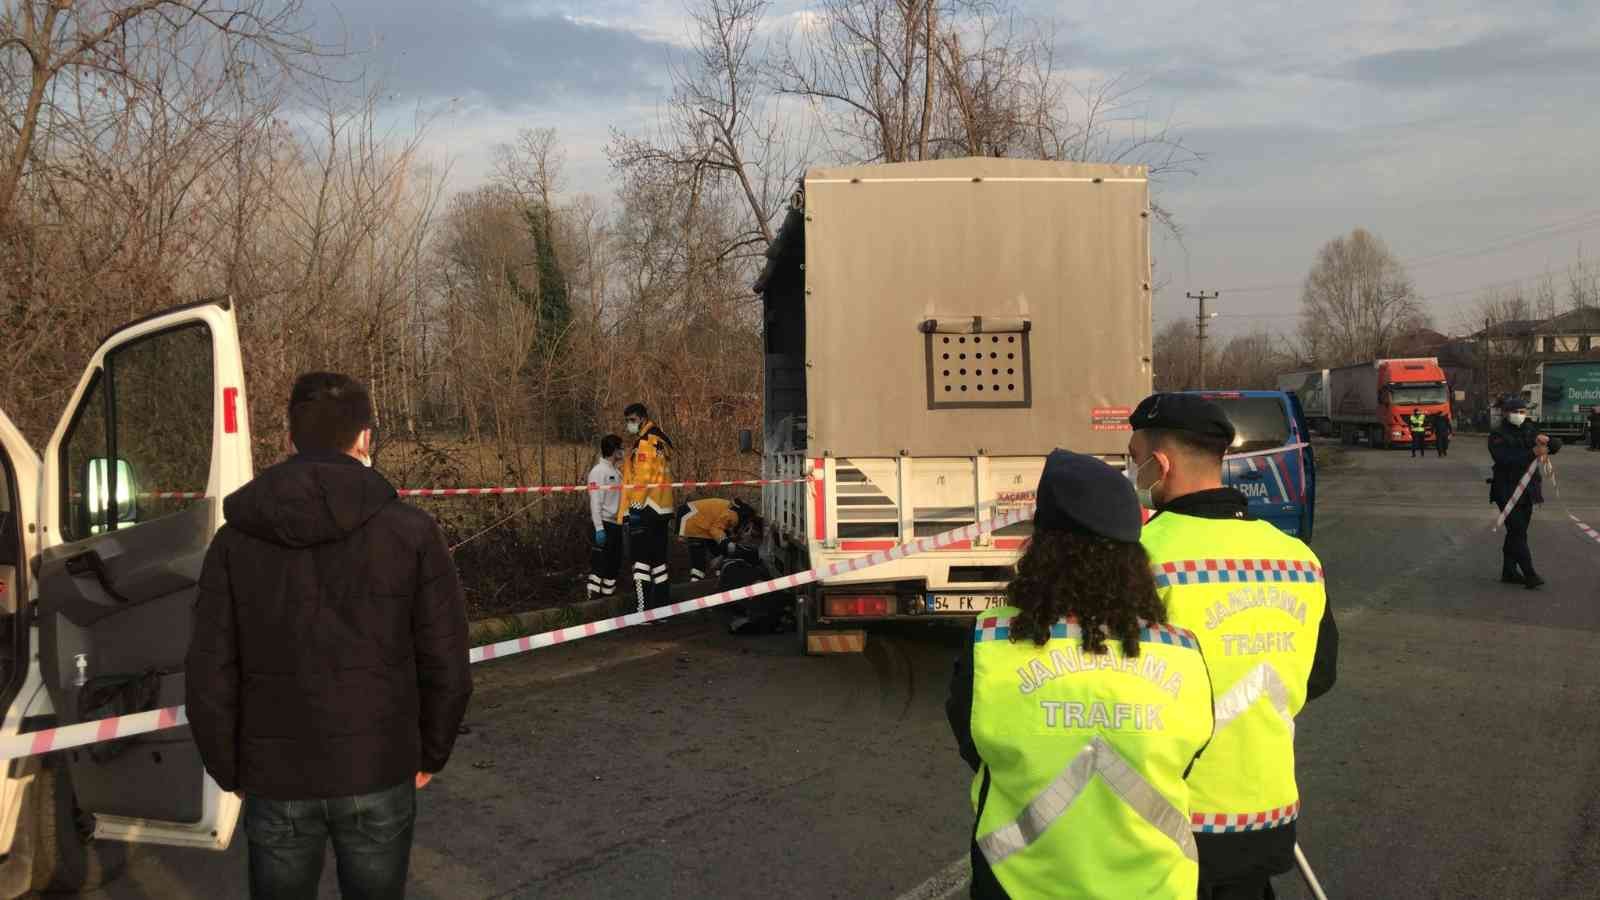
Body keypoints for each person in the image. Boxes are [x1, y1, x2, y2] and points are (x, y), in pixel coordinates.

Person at [186, 372, 473, 900]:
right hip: (379, 768)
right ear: (365, 437)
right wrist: (430, 753)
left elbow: (208, 672)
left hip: (275, 777)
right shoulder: (410, 532)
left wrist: (230, 769)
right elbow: (447, 663)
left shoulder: (234, 541)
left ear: (293, 436)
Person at [946, 450, 1215, 899]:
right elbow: (1187, 757)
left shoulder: (990, 645)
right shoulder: (1182, 652)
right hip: (1155, 885)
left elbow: (975, 746)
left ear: (1041, 548)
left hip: (1018, 883)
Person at [1126, 393, 1338, 900]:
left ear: (1159, 464)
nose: (1133, 474)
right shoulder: (1296, 557)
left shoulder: (1138, 558)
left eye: (1134, 461)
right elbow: (1320, 673)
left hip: (1163, 818)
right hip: (1265, 812)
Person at [1489, 397, 1561, 589]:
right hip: (1507, 489)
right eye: (1516, 411)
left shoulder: (1530, 429)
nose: (1520, 415)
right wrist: (1532, 453)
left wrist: (1551, 442)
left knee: (1517, 532)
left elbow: (1551, 446)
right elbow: (1505, 459)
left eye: (1523, 411)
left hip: (1529, 490)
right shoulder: (1498, 434)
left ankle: (1509, 571)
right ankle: (1529, 574)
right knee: (1518, 531)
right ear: (1505, 413)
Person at [619, 403, 675, 613]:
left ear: (642, 418)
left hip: (646, 508)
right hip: (662, 507)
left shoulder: (644, 443)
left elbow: (642, 478)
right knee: (659, 562)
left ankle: (642, 612)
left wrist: (633, 507)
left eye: (632, 420)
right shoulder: (660, 439)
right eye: (627, 420)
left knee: (640, 562)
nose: (629, 424)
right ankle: (662, 611)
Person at [677, 497, 755, 581]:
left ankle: (718, 579)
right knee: (699, 561)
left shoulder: (732, 509)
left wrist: (725, 545)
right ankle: (695, 586)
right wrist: (728, 544)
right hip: (693, 522)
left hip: (695, 519)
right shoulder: (734, 516)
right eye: (747, 528)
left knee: (718, 551)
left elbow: (718, 528)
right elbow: (715, 529)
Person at [587, 435, 625, 601]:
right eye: (621, 448)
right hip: (604, 524)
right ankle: (592, 602)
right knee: (599, 564)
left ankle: (608, 599)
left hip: (617, 524)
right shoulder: (598, 472)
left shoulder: (616, 472)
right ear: (614, 450)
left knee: (613, 563)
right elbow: (595, 501)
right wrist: (599, 527)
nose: (623, 451)